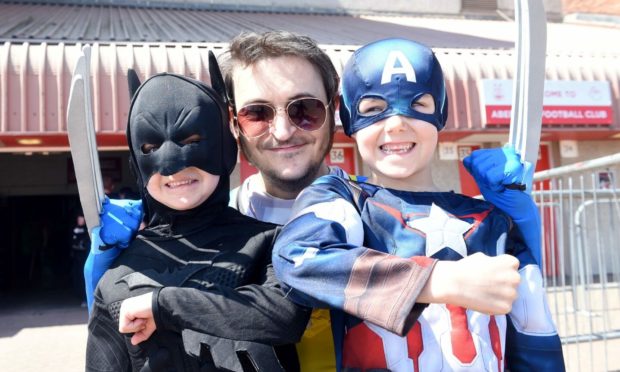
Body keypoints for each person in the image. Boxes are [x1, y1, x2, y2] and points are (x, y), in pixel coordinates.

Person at [85, 31, 540, 372]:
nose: (283, 131)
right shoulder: (214, 225)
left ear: (335, 111)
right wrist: (117, 277)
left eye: (304, 110)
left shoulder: (388, 219)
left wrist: (516, 236)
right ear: (233, 124)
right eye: (258, 112)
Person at [272, 37, 565, 371]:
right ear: (350, 119)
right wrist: (440, 281)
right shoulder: (345, 201)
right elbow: (298, 259)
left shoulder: (490, 219)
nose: (397, 122)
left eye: (418, 104)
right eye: (373, 108)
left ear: (440, 112)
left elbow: (533, 327)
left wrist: (517, 228)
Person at [86, 63, 309, 371]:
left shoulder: (268, 242)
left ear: (224, 146)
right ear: (137, 162)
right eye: (151, 147)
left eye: (191, 141)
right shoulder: (117, 275)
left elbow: (285, 317)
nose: (173, 166)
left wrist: (162, 306)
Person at [69, 213, 89, 305]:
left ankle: (86, 299)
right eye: (78, 219)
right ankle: (81, 296)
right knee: (78, 277)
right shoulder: (74, 229)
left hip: (84, 257)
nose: (80, 221)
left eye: (81, 219)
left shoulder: (87, 231)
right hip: (76, 258)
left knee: (85, 278)